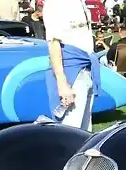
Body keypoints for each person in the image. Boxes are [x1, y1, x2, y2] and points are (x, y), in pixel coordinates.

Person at [43, 0, 100, 131]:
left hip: (86, 68)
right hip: (71, 70)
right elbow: (53, 43)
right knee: (70, 129)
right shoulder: (55, 4)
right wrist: (62, 83)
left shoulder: (80, 2)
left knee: (84, 131)